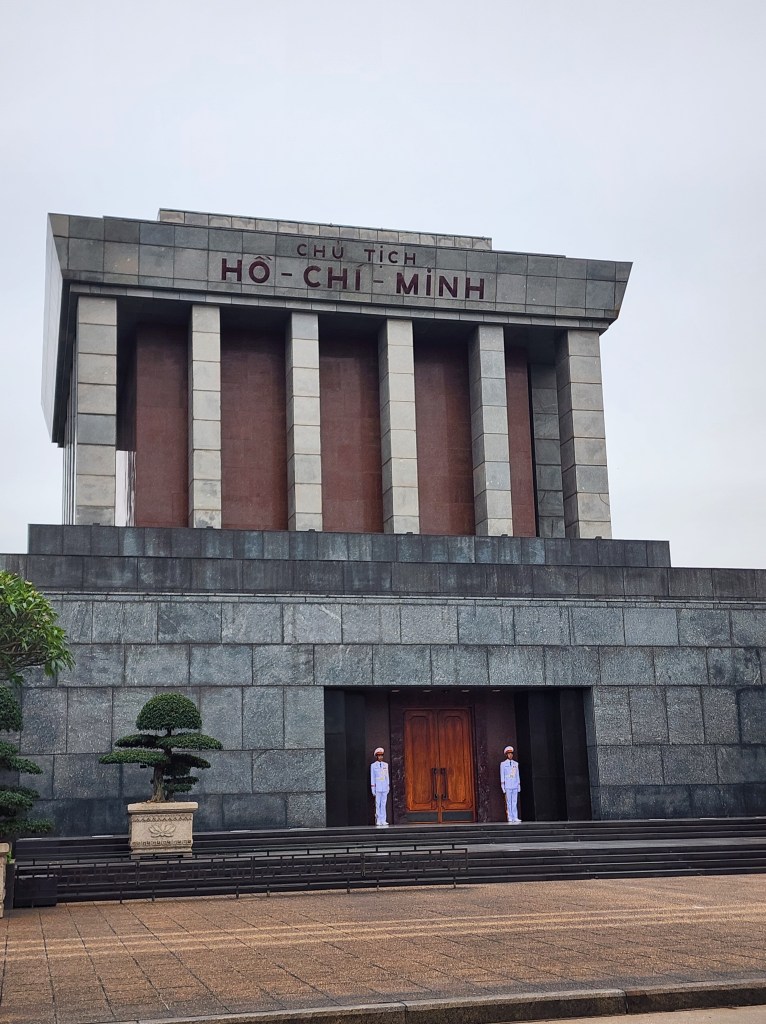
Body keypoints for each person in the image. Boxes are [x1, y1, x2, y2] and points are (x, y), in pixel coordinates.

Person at [500, 744, 521, 823]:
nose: (510, 755)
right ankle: (510, 817)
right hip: (508, 785)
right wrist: (503, 786)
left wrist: (518, 785)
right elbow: (502, 775)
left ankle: (515, 817)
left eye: (511, 754)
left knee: (514, 801)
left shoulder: (516, 764)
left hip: (515, 784)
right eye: (509, 754)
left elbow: (517, 775)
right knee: (509, 802)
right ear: (506, 755)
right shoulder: (503, 764)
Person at [370, 746, 390, 827]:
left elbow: (387, 776)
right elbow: (372, 777)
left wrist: (388, 785)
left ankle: (383, 819)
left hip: (384, 786)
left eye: (381, 755)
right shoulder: (373, 765)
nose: (380, 757)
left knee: (384, 803)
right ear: (376, 756)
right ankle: (378, 819)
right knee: (377, 804)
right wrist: (373, 788)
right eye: (379, 755)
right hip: (377, 786)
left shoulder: (386, 765)